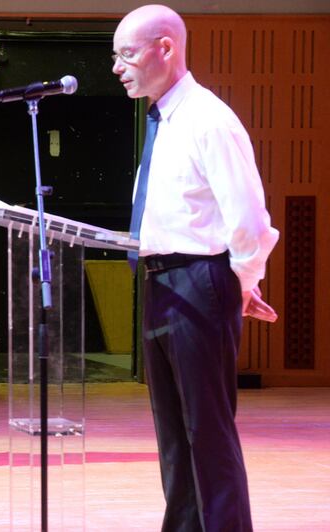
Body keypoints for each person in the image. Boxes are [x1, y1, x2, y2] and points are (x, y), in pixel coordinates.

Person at [112, 5, 279, 531]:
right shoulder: (163, 118)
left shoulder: (209, 119)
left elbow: (249, 221)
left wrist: (241, 282)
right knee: (173, 437)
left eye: (127, 53)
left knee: (207, 433)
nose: (118, 67)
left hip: (198, 282)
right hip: (161, 281)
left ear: (166, 48)